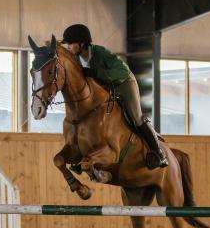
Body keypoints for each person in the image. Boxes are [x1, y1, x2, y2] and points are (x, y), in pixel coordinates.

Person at [61, 23, 168, 170]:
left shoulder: (100, 53)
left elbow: (122, 72)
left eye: (70, 44)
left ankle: (158, 153)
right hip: (105, 89)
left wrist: (96, 73)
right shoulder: (76, 59)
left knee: (136, 117)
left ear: (82, 43)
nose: (68, 47)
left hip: (124, 84)